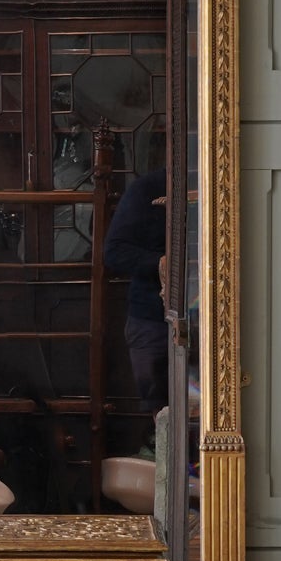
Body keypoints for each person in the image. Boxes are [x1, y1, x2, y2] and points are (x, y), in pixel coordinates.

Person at [102, 165, 168, 428]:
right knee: (165, 418)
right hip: (152, 319)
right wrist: (161, 263)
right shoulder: (147, 188)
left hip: (211, 321)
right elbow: (114, 252)